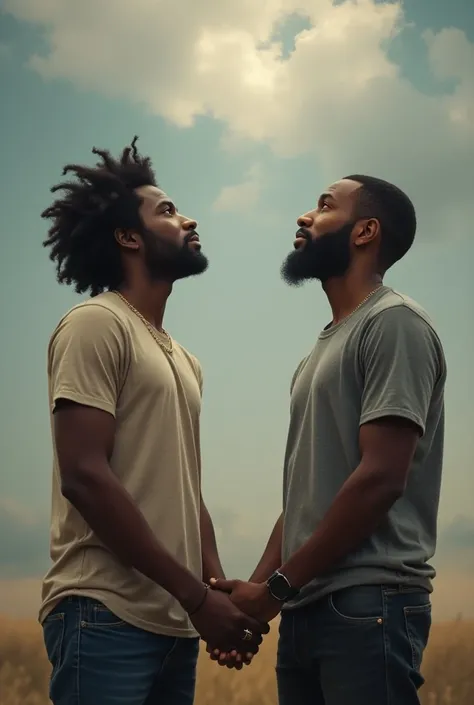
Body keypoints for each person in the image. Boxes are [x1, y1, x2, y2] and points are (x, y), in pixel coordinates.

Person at [39, 137, 268, 705]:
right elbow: (85, 476)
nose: (189, 219)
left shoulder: (183, 358)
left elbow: (185, 490)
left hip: (172, 625)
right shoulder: (95, 323)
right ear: (128, 236)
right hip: (103, 613)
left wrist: (217, 594)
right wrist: (197, 599)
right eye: (166, 210)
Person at [210, 175, 447, 705]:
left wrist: (272, 591)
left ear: (365, 231)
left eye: (322, 206)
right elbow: (305, 498)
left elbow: (381, 477)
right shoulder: (320, 351)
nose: (304, 217)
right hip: (306, 604)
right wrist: (252, 598)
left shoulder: (394, 324)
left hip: (368, 601)